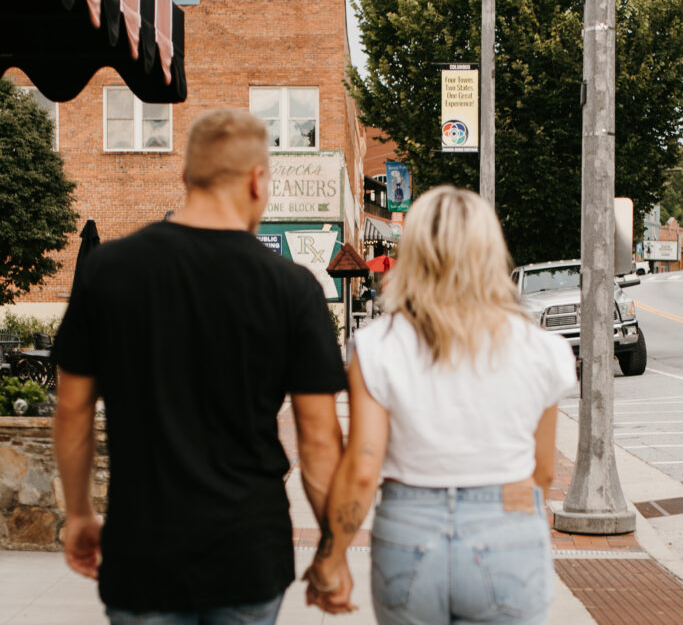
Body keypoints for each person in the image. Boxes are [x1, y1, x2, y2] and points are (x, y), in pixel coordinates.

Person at [53, 108, 348, 625]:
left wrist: (79, 513)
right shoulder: (293, 289)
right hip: (248, 552)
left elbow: (73, 410)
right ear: (258, 180)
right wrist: (333, 550)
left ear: (186, 176)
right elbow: (320, 443)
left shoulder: (108, 270)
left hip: (143, 552)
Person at [304, 185, 577, 624]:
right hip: (507, 531)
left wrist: (329, 560)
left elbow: (363, 466)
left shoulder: (377, 346)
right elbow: (542, 470)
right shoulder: (542, 350)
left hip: (409, 532)